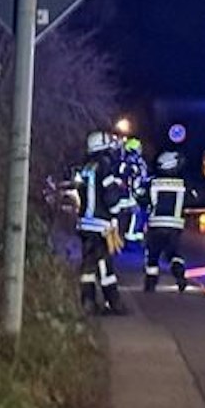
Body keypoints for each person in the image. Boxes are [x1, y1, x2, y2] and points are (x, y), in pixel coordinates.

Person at [71, 131, 127, 314]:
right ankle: (113, 302)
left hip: (85, 225)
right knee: (104, 264)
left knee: (89, 265)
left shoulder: (86, 167)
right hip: (101, 225)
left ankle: (88, 300)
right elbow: (111, 196)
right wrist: (117, 211)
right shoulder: (105, 166)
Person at [143, 150, 192, 292]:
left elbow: (143, 198)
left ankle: (150, 284)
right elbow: (193, 199)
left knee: (153, 255)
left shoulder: (153, 182)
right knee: (173, 253)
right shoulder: (183, 184)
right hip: (175, 226)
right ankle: (179, 274)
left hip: (156, 224)